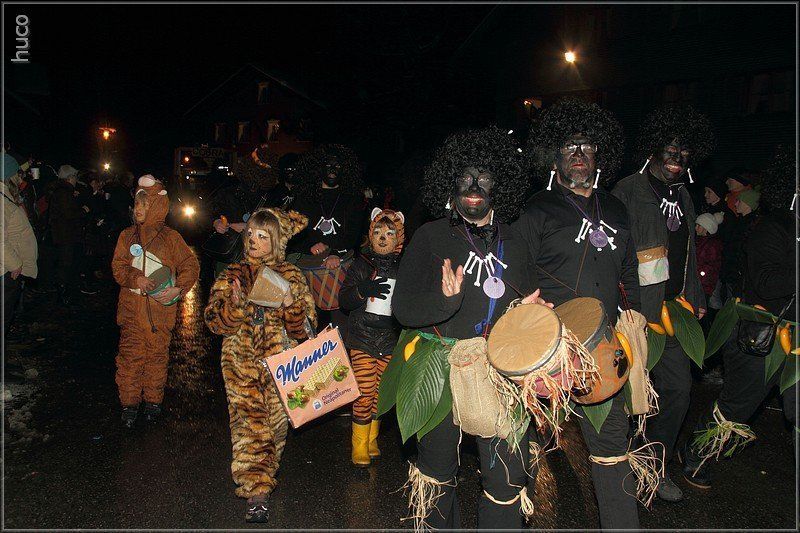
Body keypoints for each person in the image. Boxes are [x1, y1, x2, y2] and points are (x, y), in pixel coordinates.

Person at [392, 126, 543, 530]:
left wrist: (532, 314)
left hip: (500, 369)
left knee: (507, 476)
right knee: (437, 475)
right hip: (441, 365)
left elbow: (529, 298)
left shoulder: (517, 239)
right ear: (450, 183)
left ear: (500, 186)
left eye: (484, 178)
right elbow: (403, 309)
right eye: (465, 178)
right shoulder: (429, 236)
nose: (474, 188)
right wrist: (445, 300)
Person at [517, 98, 644, 528]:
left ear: (598, 155)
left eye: (586, 147)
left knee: (611, 445)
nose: (578, 155)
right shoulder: (537, 208)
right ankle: (529, 514)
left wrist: (637, 317)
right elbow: (517, 272)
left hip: (602, 342)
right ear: (554, 157)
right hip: (549, 343)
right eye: (569, 147)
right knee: (530, 442)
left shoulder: (616, 208)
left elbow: (630, 269)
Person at [612, 103, 714, 502]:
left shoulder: (684, 195)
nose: (677, 158)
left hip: (673, 313)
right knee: (632, 395)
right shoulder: (627, 191)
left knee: (679, 391)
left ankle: (654, 463)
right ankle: (619, 467)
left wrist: (695, 295)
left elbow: (688, 251)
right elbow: (613, 254)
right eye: (670, 149)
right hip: (635, 312)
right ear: (653, 148)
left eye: (685, 152)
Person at [680, 145, 797, 488]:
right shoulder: (774, 227)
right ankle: (697, 451)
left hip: (796, 341)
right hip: (760, 336)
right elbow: (766, 282)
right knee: (738, 406)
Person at [204, 207, 316, 523]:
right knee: (249, 427)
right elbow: (213, 321)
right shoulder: (233, 274)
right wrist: (234, 306)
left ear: (276, 240)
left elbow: (307, 331)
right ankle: (257, 491)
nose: (253, 240)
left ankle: (264, 475)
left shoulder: (292, 276)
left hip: (281, 366)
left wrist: (289, 304)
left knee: (275, 430)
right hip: (240, 363)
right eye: (250, 233)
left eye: (262, 235)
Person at [111, 175, 200, 428]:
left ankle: (153, 402)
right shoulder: (127, 236)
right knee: (130, 358)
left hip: (160, 314)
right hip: (131, 312)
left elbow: (190, 265)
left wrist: (178, 289)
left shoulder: (170, 238)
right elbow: (118, 267)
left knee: (157, 358)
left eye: (145, 204)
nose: (138, 209)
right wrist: (135, 278)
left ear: (158, 205)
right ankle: (129, 404)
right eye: (137, 204)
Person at [338, 208, 404, 466]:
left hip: (390, 340)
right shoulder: (361, 264)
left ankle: (371, 439)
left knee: (381, 394)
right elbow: (344, 300)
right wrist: (362, 290)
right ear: (370, 235)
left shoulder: (404, 267)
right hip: (363, 339)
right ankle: (359, 445)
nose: (383, 238)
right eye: (377, 232)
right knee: (364, 392)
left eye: (390, 233)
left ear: (399, 237)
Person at [291, 144, 366, 339]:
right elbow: (292, 235)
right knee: (307, 331)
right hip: (309, 272)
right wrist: (310, 245)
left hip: (341, 271)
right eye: (328, 165)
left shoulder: (352, 198)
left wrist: (334, 251)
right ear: (318, 168)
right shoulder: (305, 198)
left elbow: (354, 235)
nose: (332, 170)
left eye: (338, 166)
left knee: (340, 332)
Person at [2, 153, 38, 332]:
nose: (20, 177)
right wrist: (15, 264)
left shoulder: (5, 196)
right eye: (17, 173)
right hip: (6, 271)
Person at [49, 165, 89, 306]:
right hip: (65, 234)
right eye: (75, 177)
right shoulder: (64, 192)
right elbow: (68, 214)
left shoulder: (64, 191)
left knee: (65, 263)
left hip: (65, 233)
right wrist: (83, 211)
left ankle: (65, 292)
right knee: (65, 264)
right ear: (70, 178)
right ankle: (62, 295)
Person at [695, 212, 724, 315]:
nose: (696, 228)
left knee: (703, 310)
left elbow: (711, 266)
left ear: (706, 228)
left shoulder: (712, 245)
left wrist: (699, 275)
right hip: (698, 283)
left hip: (704, 285)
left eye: (698, 226)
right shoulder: (699, 241)